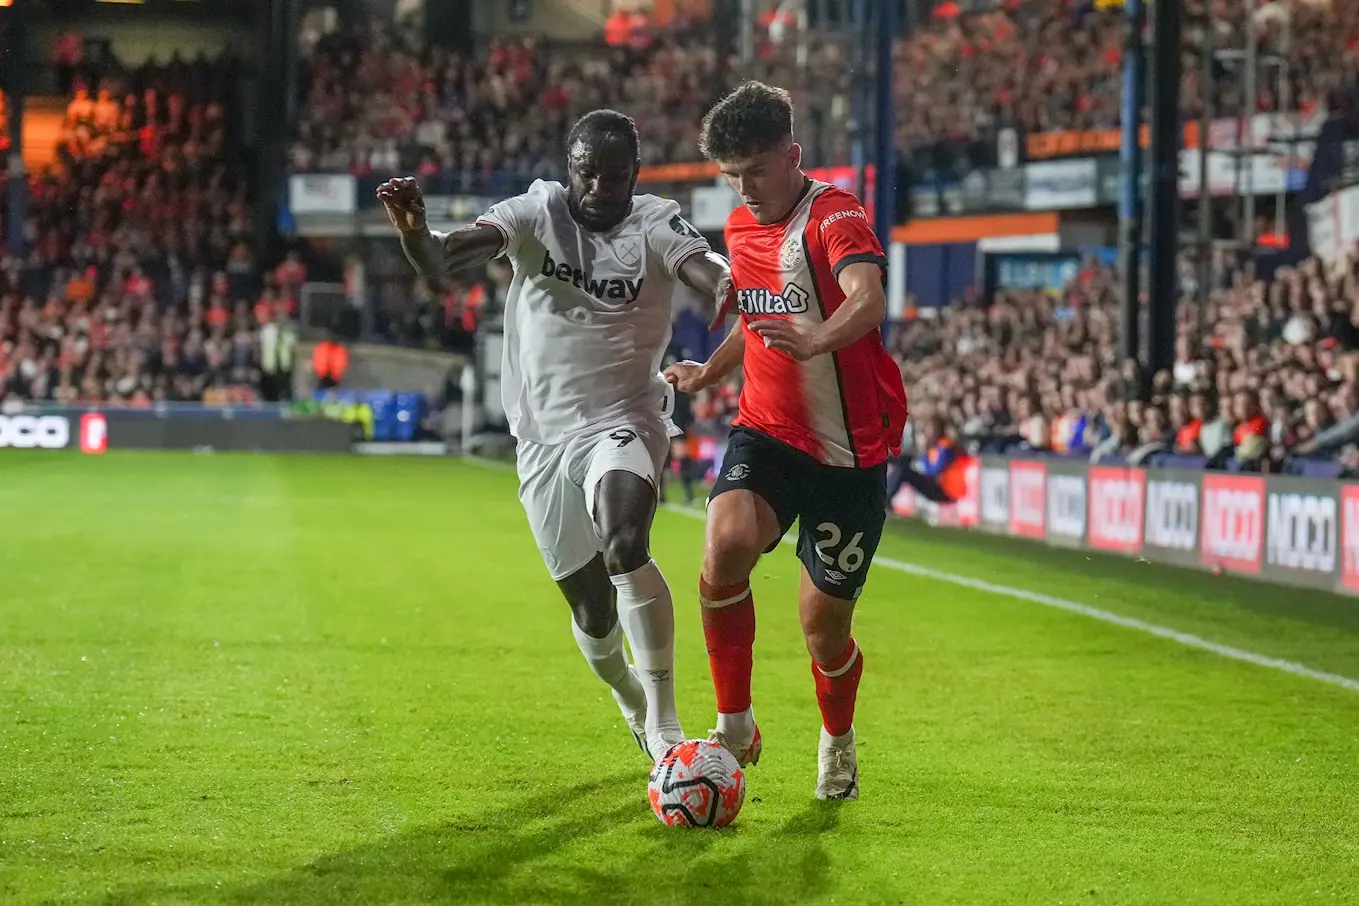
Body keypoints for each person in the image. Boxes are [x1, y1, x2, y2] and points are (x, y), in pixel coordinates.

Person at [377, 109, 732, 761]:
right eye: (586, 173)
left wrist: (728, 284)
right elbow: (440, 260)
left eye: (614, 174)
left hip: (624, 416)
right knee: (594, 621)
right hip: (541, 437)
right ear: (568, 170)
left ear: (635, 174)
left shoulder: (654, 221)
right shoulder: (535, 213)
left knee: (625, 542)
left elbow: (704, 266)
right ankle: (628, 697)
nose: (599, 186)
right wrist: (413, 232)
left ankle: (665, 727)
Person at [664, 82, 908, 800]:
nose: (744, 190)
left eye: (756, 171)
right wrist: (709, 372)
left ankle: (836, 738)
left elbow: (867, 300)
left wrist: (816, 339)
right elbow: (757, 317)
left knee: (821, 631)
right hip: (767, 432)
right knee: (724, 544)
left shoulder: (835, 216)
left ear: (791, 155)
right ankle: (734, 723)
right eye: (731, 176)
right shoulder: (740, 230)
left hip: (848, 456)